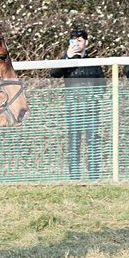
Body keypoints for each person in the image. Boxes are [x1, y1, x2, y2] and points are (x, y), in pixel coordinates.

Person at [49, 29, 106, 180]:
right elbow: (54, 73)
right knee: (74, 141)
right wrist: (67, 57)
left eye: (80, 40)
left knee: (93, 142)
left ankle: (94, 176)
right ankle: (74, 176)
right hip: (73, 108)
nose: (77, 43)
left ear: (86, 42)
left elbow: (102, 85)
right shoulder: (67, 60)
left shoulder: (94, 62)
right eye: (74, 40)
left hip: (91, 109)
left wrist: (94, 97)